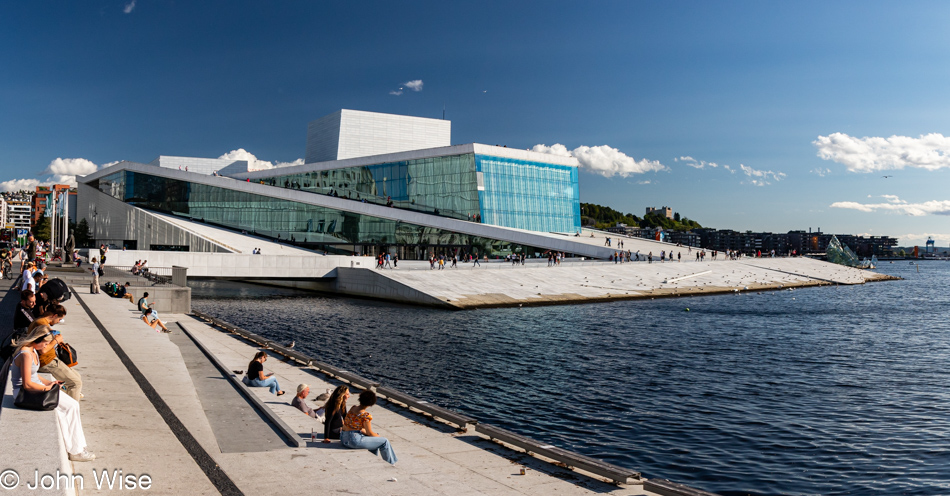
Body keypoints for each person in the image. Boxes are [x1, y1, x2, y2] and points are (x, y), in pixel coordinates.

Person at [10, 326, 96, 461]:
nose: (46, 346)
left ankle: (79, 447)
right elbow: (26, 384)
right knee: (69, 407)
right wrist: (46, 389)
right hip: (24, 392)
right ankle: (75, 451)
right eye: (45, 342)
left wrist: (50, 383)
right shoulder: (26, 354)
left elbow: (35, 376)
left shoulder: (32, 350)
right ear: (37, 339)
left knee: (73, 405)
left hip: (35, 388)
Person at [30, 305, 82, 401]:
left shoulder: (41, 321)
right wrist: (56, 341)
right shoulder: (42, 325)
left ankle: (71, 397)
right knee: (75, 383)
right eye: (59, 319)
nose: (59, 322)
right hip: (47, 361)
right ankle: (72, 409)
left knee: (77, 376)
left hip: (50, 360)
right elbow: (43, 350)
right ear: (55, 315)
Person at [340, 390, 397, 464]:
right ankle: (391, 463)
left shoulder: (353, 408)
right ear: (371, 403)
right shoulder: (366, 415)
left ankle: (374, 459)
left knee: (374, 439)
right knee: (384, 441)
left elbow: (354, 426)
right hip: (353, 441)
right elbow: (369, 433)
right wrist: (378, 436)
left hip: (343, 438)